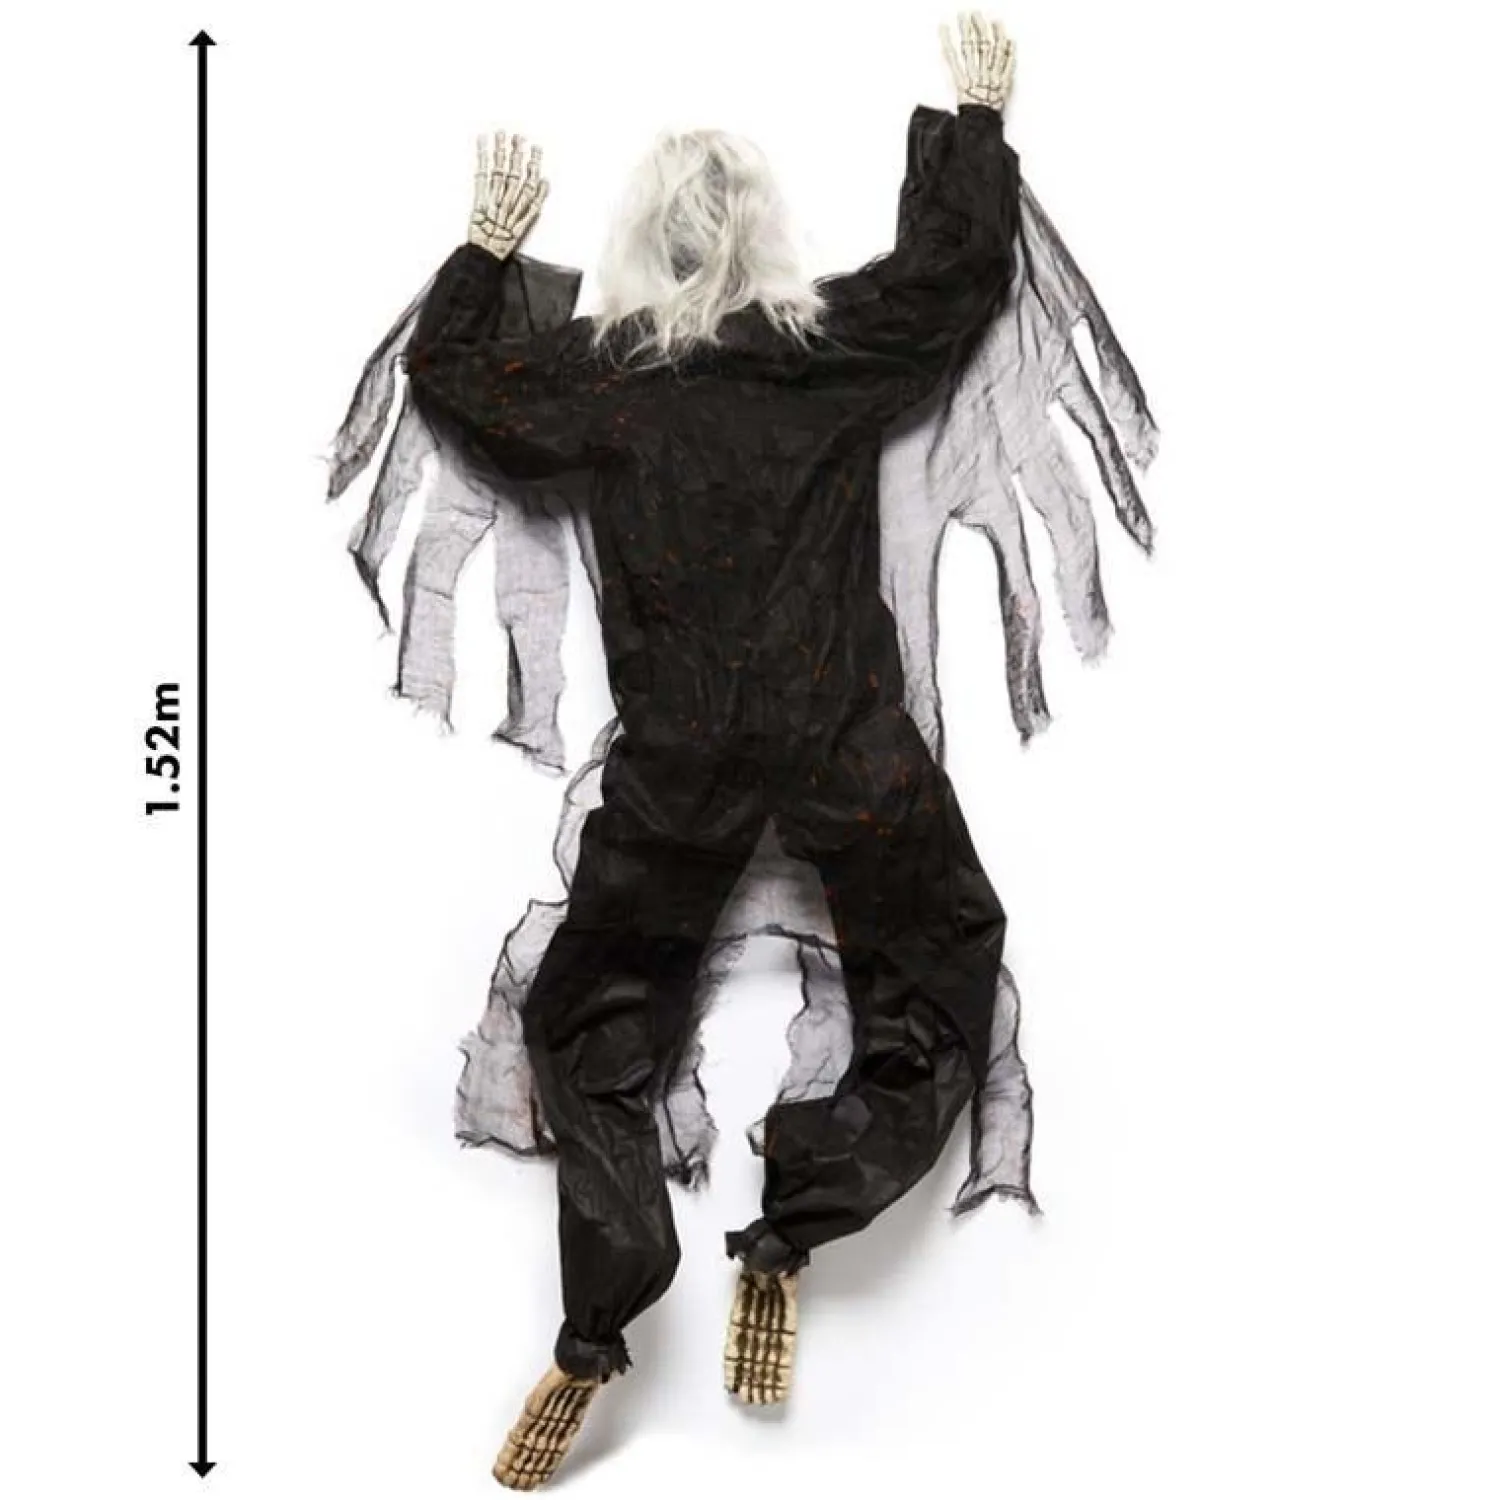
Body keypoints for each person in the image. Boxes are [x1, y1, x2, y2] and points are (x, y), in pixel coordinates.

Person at [402, 13, 1021, 1489]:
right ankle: (793, 1228)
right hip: (842, 734)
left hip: (681, 762)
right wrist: (974, 127)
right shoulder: (824, 353)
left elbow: (458, 379)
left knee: (587, 1024)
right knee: (943, 964)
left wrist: (487, 250)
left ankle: (595, 1331)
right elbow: (950, 281)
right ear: (765, 233)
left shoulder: (606, 380)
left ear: (634, 243)